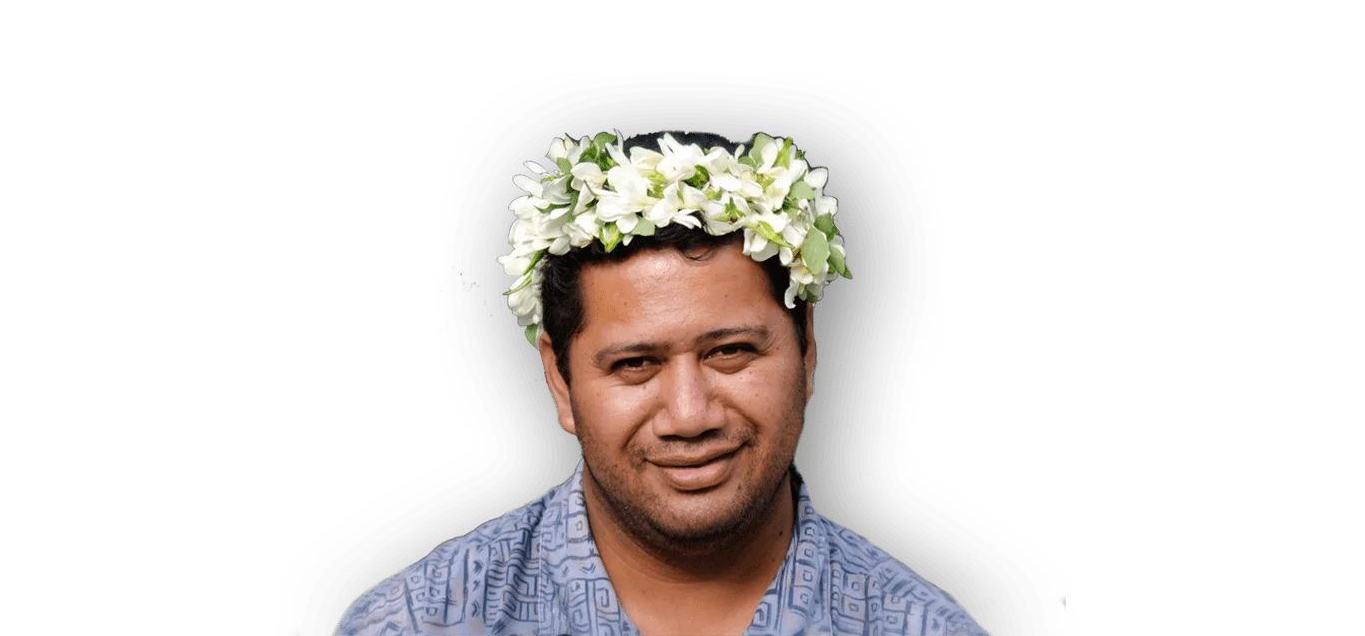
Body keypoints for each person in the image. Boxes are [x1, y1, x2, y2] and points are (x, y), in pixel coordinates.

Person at [335, 131, 992, 636]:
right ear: (559, 380)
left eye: (731, 352)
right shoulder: (414, 623)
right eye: (635, 364)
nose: (689, 415)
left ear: (807, 350)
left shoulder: (927, 628)